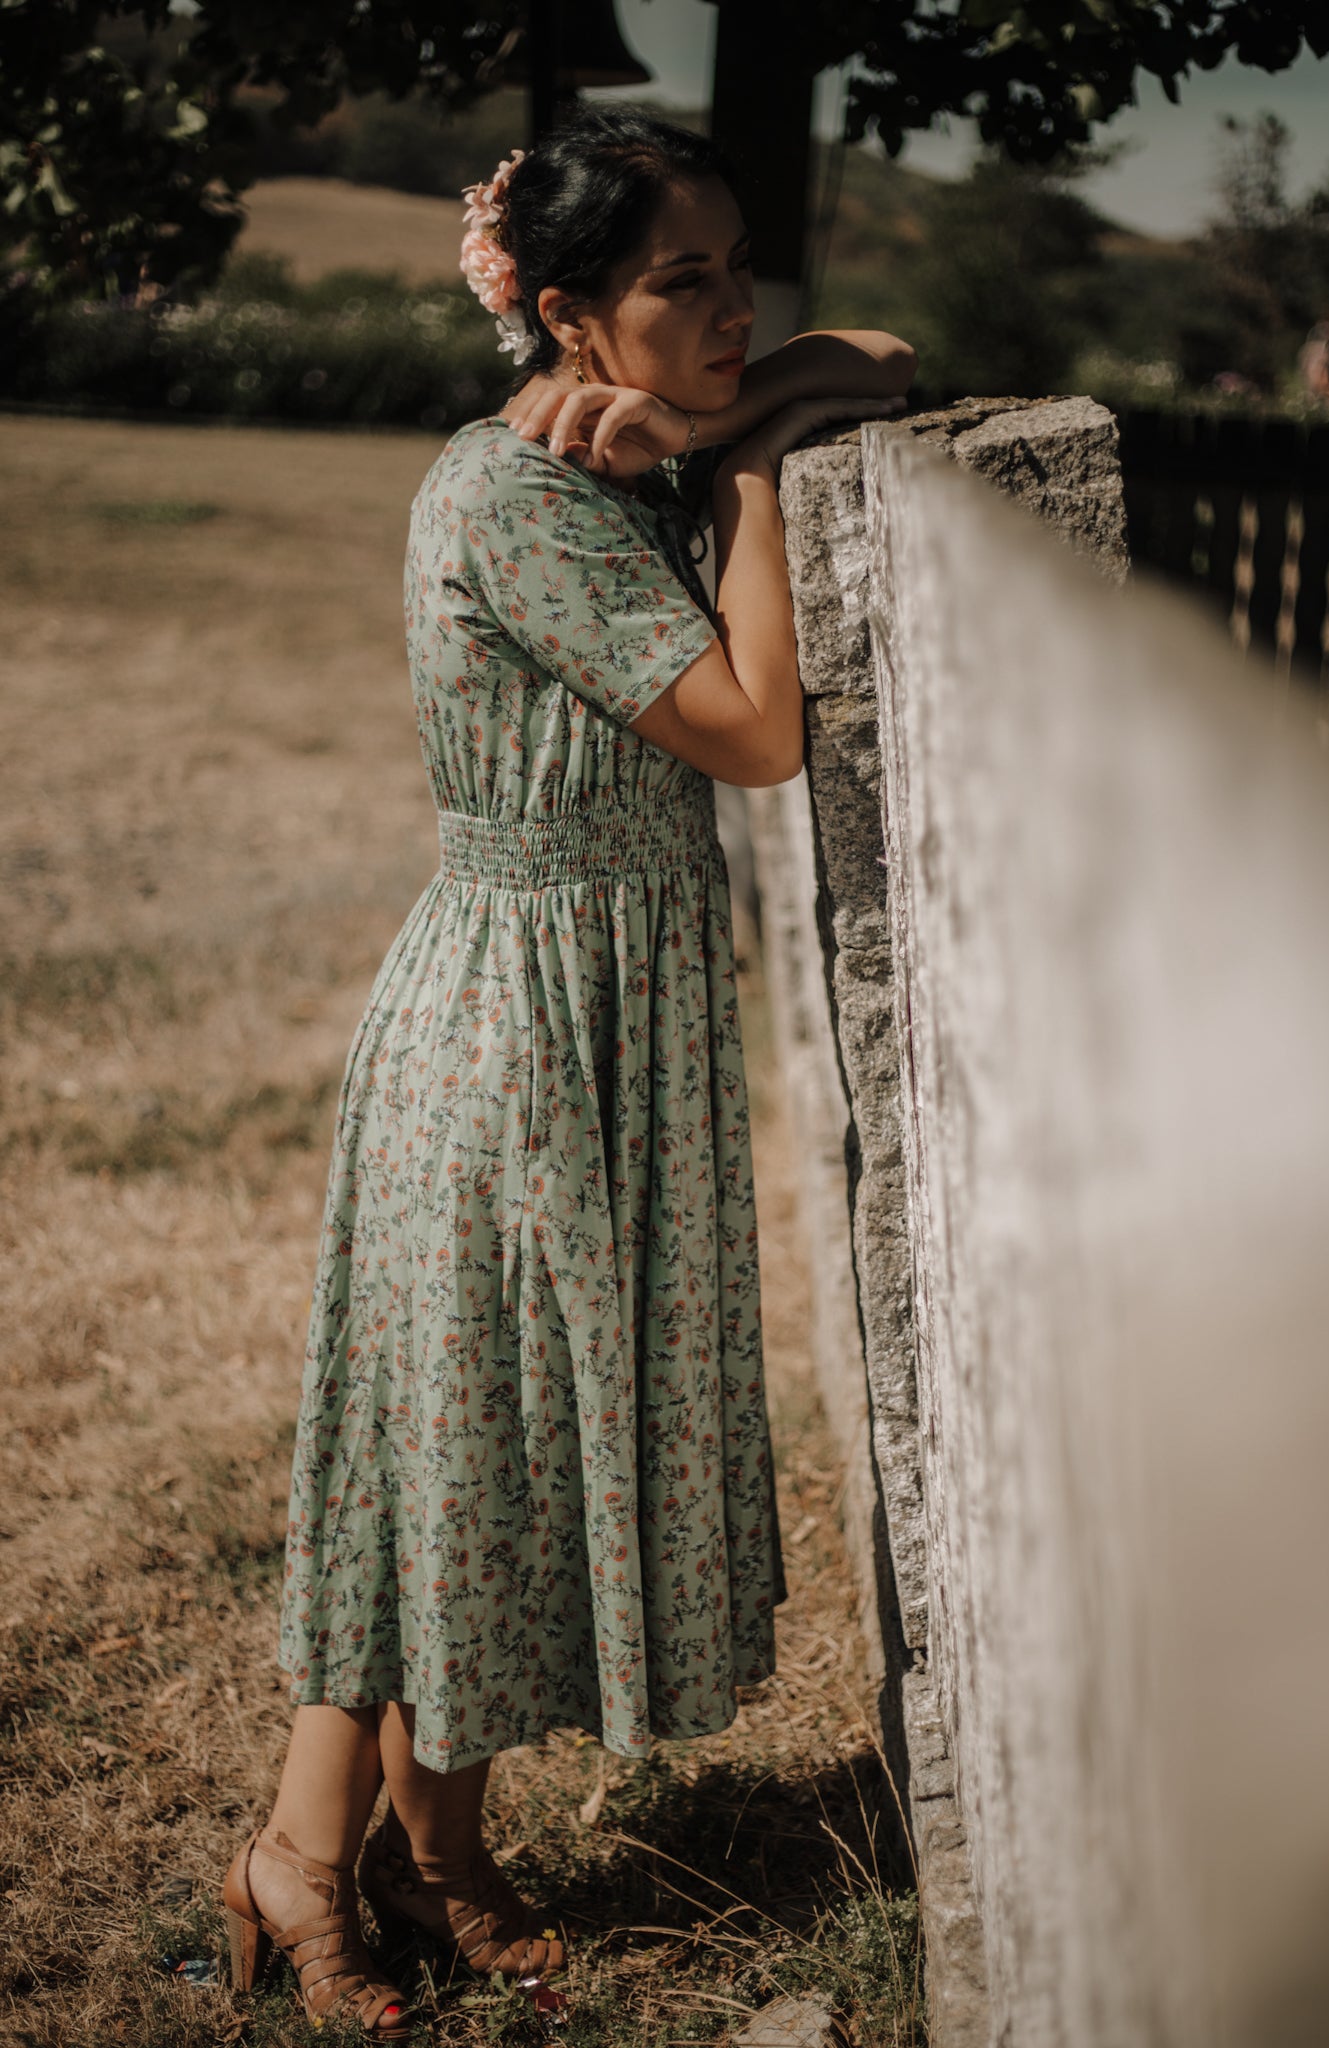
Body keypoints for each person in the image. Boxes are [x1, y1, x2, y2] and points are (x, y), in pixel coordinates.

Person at [220, 102, 917, 2039]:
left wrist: (716, 406)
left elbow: (887, 354)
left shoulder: (624, 446)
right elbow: (755, 732)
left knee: (500, 1461)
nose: (730, 307)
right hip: (517, 1020)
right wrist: (750, 463)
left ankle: (406, 1852)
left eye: (738, 270)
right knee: (455, 1463)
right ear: (560, 313)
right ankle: (338, 1860)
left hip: (609, 1005)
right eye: (680, 283)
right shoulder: (517, 496)